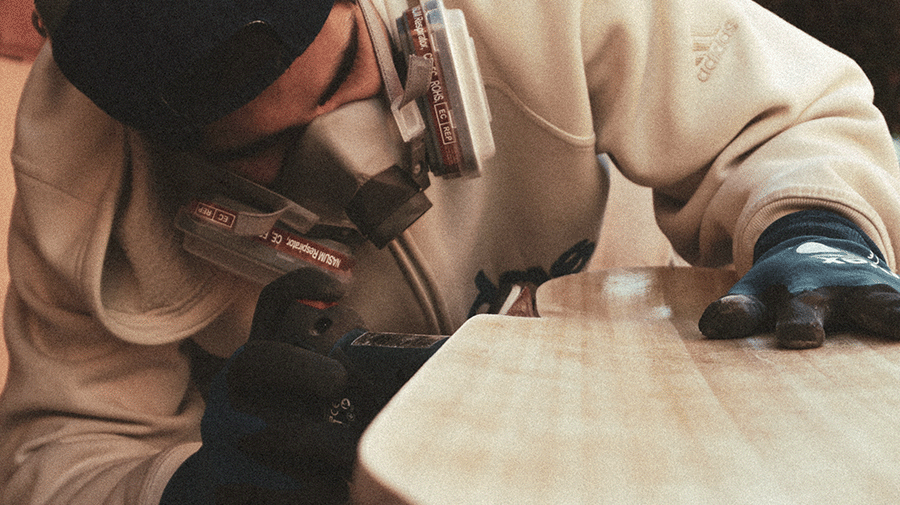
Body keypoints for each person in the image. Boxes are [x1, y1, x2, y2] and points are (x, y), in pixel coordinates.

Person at [2, 0, 900, 503]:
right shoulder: (82, 179)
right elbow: (60, 453)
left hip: (658, 444)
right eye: (260, 148)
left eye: (347, 72)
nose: (349, 156)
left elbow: (784, 111)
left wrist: (814, 222)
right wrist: (180, 490)